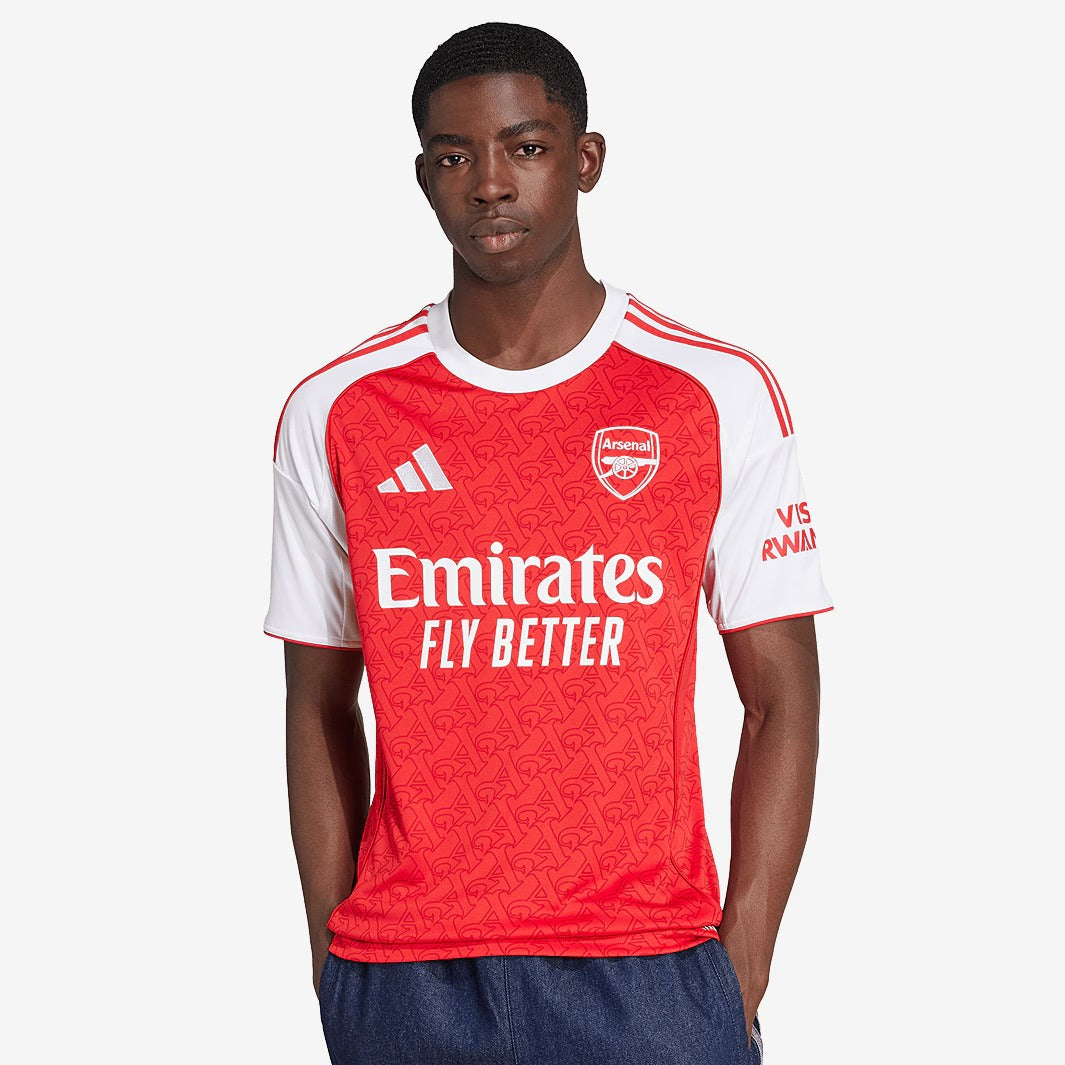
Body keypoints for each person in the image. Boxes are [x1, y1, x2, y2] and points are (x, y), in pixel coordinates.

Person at [264, 21, 832, 1065]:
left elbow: (780, 696)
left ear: (585, 159)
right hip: (405, 979)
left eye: (524, 147)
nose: (490, 183)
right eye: (454, 156)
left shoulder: (713, 394)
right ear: (424, 177)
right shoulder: (341, 409)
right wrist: (332, 960)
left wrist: (739, 967)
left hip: (651, 974)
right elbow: (317, 702)